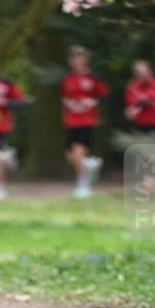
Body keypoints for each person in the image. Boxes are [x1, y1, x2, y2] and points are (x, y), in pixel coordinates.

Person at [60, 45, 108, 198]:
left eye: (79, 57)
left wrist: (91, 101)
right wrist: (68, 103)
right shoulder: (67, 79)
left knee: (78, 152)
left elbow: (103, 96)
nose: (76, 61)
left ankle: (83, 185)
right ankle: (89, 164)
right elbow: (64, 96)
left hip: (87, 120)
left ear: (86, 59)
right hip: (71, 120)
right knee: (70, 156)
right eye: (73, 57)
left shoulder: (94, 78)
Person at [124, 59, 155, 133]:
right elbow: (131, 103)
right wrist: (133, 109)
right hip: (139, 124)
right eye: (137, 72)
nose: (140, 74)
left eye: (142, 72)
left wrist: (140, 104)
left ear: (150, 71)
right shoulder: (132, 86)